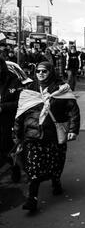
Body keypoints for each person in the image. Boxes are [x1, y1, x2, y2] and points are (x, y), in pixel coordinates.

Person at [14, 61, 80, 212]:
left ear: (51, 72)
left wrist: (73, 129)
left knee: (55, 162)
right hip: (33, 134)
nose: (41, 73)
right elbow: (20, 114)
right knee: (34, 166)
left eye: (44, 71)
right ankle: (32, 199)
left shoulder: (61, 88)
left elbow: (73, 110)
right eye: (38, 71)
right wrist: (16, 134)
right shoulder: (30, 89)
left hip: (54, 134)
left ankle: (56, 181)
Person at [0, 57, 23, 183]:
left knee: (6, 149)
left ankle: (15, 167)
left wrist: (2, 107)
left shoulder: (13, 80)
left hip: (7, 121)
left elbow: (19, 102)